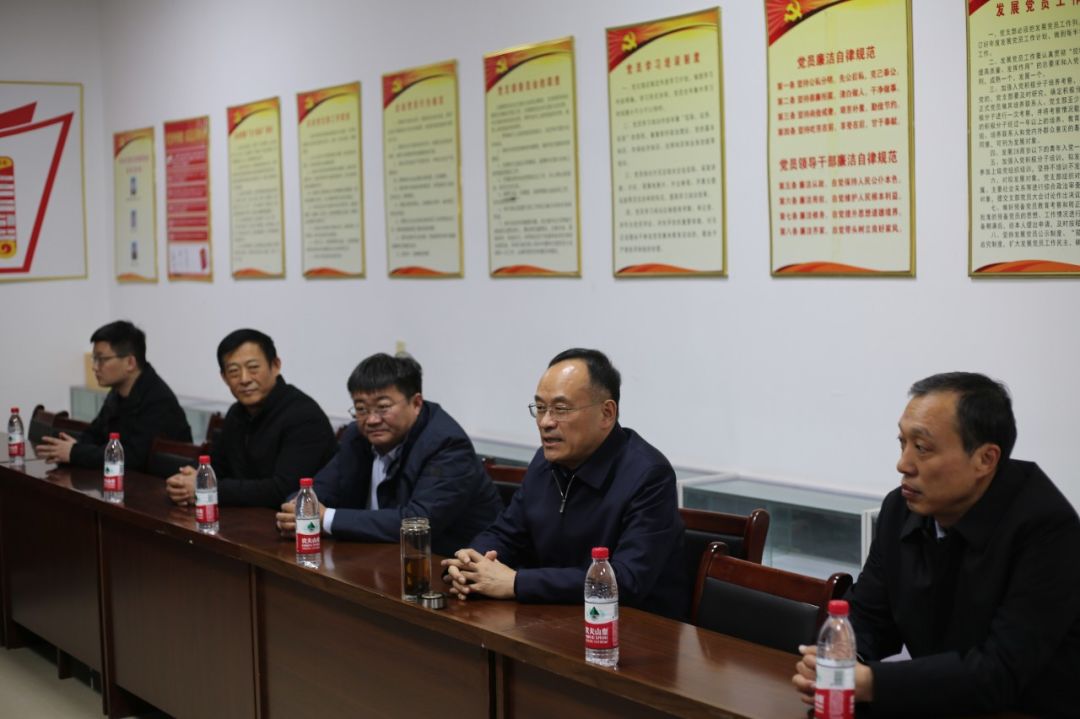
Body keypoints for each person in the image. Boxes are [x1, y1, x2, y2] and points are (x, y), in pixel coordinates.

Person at [793, 372, 1080, 717]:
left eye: (922, 448)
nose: (903, 464)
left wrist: (871, 683)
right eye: (902, 443)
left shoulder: (1048, 529)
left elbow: (1000, 670)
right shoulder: (900, 508)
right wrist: (839, 661)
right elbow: (869, 617)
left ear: (985, 459)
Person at [442, 348, 688, 620]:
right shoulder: (544, 463)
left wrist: (516, 583)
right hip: (555, 617)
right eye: (540, 408)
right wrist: (470, 563)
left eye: (560, 409)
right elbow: (506, 533)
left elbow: (627, 579)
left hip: (633, 628)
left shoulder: (648, 475)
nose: (546, 422)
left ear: (607, 413)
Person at [274, 353, 503, 556]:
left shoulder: (447, 445)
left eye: (383, 407)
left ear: (416, 403)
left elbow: (417, 522)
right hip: (380, 557)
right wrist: (297, 509)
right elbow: (321, 488)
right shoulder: (357, 436)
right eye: (361, 409)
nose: (372, 419)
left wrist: (326, 518)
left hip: (450, 565)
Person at [165, 329, 336, 508]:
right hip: (244, 517)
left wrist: (206, 488)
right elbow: (218, 464)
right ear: (224, 377)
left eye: (253, 367)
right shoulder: (236, 412)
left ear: (275, 365)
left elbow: (283, 490)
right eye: (234, 371)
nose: (244, 379)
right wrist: (186, 479)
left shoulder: (304, 416)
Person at [35, 320, 191, 472]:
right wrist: (72, 447)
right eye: (94, 359)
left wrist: (75, 452)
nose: (94, 367)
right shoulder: (117, 393)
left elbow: (133, 457)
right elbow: (95, 433)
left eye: (101, 359)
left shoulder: (158, 400)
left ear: (130, 363)